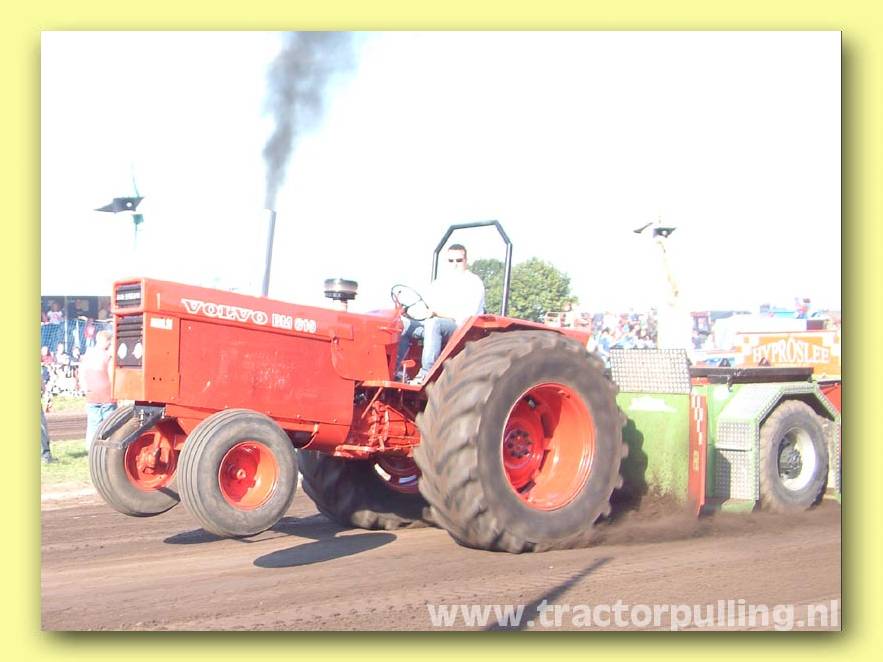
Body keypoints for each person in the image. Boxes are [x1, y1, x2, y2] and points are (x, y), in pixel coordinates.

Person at [396, 243, 485, 384]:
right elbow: (426, 305)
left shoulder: (473, 282)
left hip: (461, 329)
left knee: (434, 323)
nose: (454, 264)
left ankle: (425, 373)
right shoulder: (440, 283)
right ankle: (397, 371)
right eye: (451, 261)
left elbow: (467, 315)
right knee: (403, 324)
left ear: (466, 261)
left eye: (459, 260)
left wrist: (437, 312)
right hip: (435, 324)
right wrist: (410, 311)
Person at [80, 329, 117, 452]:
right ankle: (108, 450)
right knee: (110, 423)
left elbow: (81, 372)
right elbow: (111, 375)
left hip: (91, 393)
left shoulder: (87, 355)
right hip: (106, 393)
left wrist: (84, 388)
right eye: (110, 343)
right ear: (106, 342)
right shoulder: (108, 357)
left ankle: (91, 449)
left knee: (93, 424)